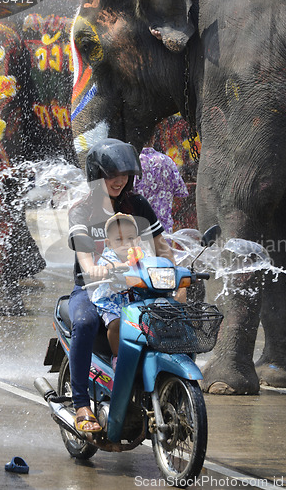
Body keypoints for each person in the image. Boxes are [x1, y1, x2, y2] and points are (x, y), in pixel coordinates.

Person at [68, 138, 174, 433]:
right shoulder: (81, 212)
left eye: (125, 174)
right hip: (92, 289)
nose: (120, 181)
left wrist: (177, 277)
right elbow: (85, 260)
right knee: (86, 322)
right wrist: (96, 270)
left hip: (133, 283)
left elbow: (162, 247)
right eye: (112, 175)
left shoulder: (137, 205)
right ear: (96, 175)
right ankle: (81, 405)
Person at [90, 213, 144, 369]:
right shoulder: (109, 256)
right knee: (116, 324)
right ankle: (117, 356)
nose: (126, 244)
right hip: (111, 302)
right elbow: (107, 266)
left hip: (135, 300)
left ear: (138, 240)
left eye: (130, 239)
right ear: (109, 243)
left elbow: (152, 265)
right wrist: (124, 265)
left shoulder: (142, 256)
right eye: (119, 240)